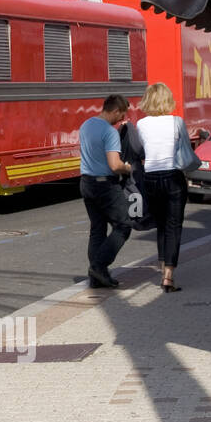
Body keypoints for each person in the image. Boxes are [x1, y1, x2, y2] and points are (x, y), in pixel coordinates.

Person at [135, 82, 189, 293]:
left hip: (151, 178)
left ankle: (161, 267)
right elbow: (183, 148)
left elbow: (142, 149)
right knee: (174, 226)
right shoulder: (177, 122)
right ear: (168, 100)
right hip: (173, 176)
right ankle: (169, 275)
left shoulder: (141, 124)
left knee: (161, 225)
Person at [78, 94, 134, 288]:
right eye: (122, 114)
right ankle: (99, 266)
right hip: (105, 186)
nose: (123, 119)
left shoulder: (86, 125)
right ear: (115, 111)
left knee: (97, 229)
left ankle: (96, 278)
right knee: (124, 225)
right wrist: (128, 167)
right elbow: (114, 165)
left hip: (86, 183)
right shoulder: (110, 132)